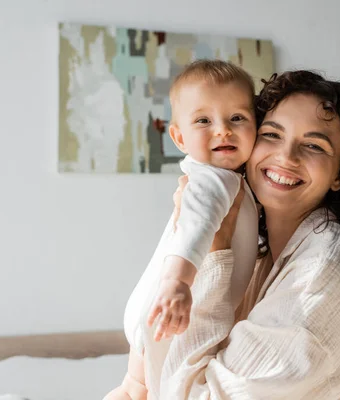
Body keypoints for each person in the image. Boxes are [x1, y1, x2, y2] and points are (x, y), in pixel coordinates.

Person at [158, 70, 340, 399]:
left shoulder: (327, 269)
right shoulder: (259, 260)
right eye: (271, 135)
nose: (286, 157)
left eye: (314, 145)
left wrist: (215, 253)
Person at [103, 60, 259, 400]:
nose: (223, 130)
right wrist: (178, 283)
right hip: (177, 300)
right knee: (139, 385)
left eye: (237, 118)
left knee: (136, 387)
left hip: (165, 305)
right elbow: (195, 229)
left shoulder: (230, 179)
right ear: (179, 137)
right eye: (204, 120)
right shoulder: (212, 180)